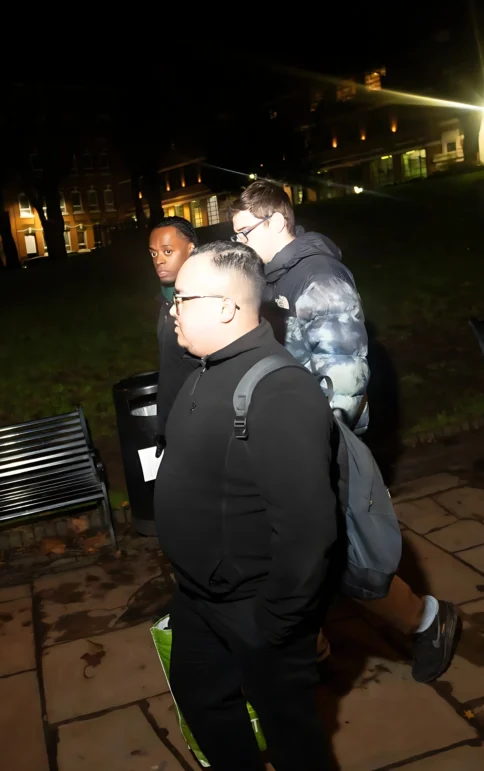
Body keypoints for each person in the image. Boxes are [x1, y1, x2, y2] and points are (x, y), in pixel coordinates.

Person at [229, 180, 459, 684]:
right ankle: (314, 658)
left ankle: (426, 621)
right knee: (310, 560)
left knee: (345, 562)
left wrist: (311, 448)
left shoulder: (319, 278)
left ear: (276, 221)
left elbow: (347, 380)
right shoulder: (273, 278)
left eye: (246, 231)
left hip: (317, 442)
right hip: (289, 439)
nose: (241, 244)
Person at [155, 240, 336, 771]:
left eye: (182, 298)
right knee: (202, 699)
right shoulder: (205, 371)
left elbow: (307, 530)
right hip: (198, 599)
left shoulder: (279, 391)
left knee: (293, 738)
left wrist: (274, 623)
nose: (171, 308)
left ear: (227, 308)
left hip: (255, 608)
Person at [148, 216, 200, 451]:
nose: (159, 260)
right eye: (153, 254)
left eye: (167, 251)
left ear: (191, 249)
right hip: (176, 428)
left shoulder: (203, 303)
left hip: (200, 429)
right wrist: (164, 426)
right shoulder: (166, 302)